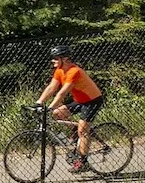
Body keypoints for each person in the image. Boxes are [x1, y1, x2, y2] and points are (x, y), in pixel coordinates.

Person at [38, 43, 103, 173]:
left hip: (92, 101)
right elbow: (51, 88)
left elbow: (62, 93)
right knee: (57, 113)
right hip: (79, 100)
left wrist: (49, 107)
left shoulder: (74, 71)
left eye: (56, 58)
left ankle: (83, 162)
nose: (53, 61)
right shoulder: (59, 71)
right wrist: (39, 102)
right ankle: (77, 133)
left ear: (65, 59)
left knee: (83, 131)